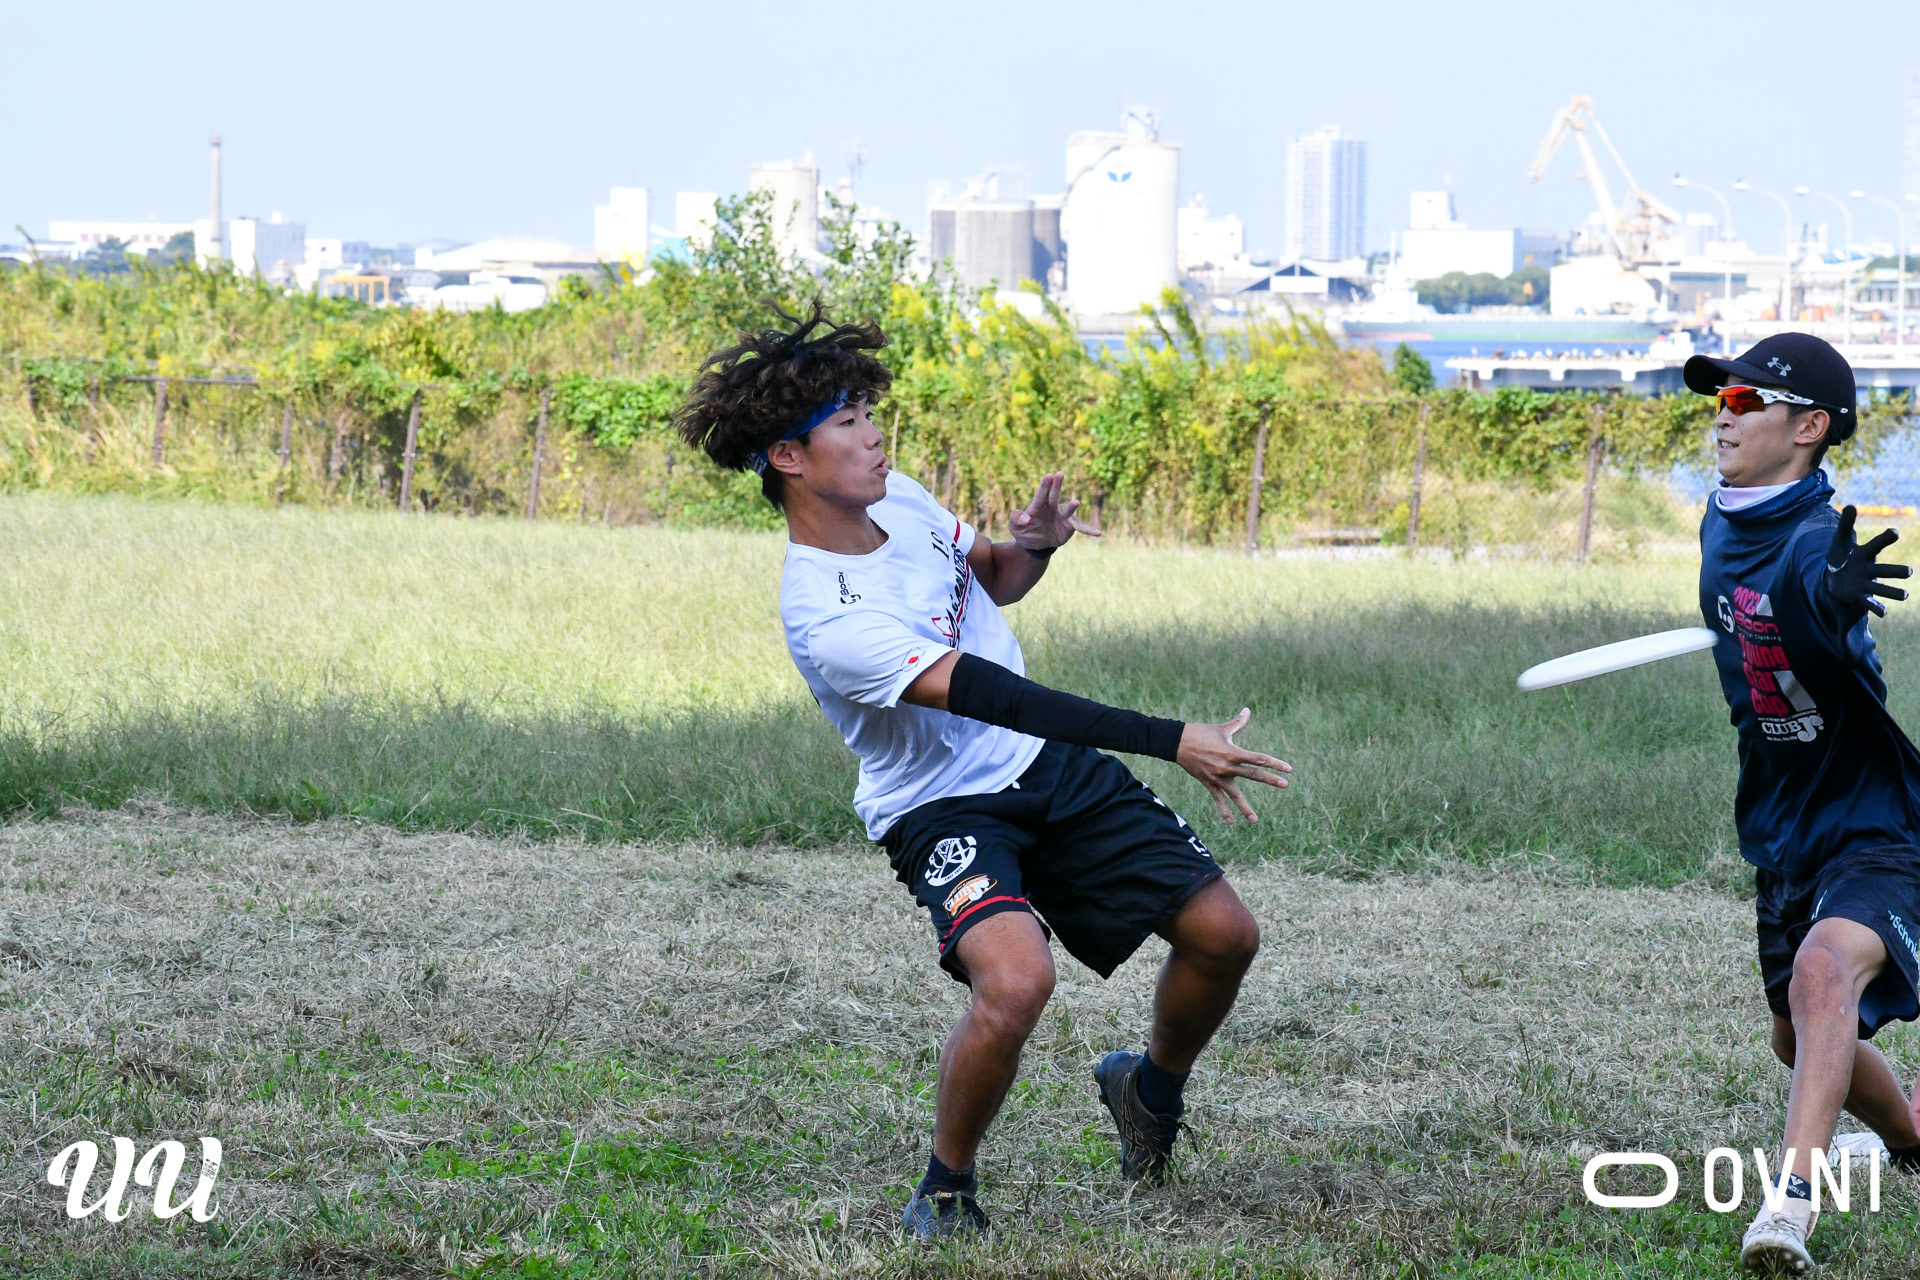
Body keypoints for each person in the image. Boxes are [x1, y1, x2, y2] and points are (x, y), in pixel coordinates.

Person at [674, 303, 1291, 1239]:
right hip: (941, 805)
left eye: (869, 414)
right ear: (789, 458)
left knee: (1225, 935)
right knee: (1015, 981)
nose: (875, 436)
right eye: (848, 423)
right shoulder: (825, 613)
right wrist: (1171, 737)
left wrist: (1035, 544)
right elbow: (996, 696)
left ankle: (1148, 1094)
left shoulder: (902, 499)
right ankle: (946, 1188)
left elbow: (994, 576)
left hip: (1042, 765)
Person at [1685, 333, 1920, 1273]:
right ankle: (1912, 1140)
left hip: (1873, 820)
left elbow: (1816, 586)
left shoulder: (1817, 539)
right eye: (1721, 400)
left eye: (1747, 401)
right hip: (1782, 823)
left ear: (1810, 427)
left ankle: (1788, 1204)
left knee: (1824, 976)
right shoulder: (1721, 518)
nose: (1724, 417)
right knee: (1798, 1038)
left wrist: (1832, 597)